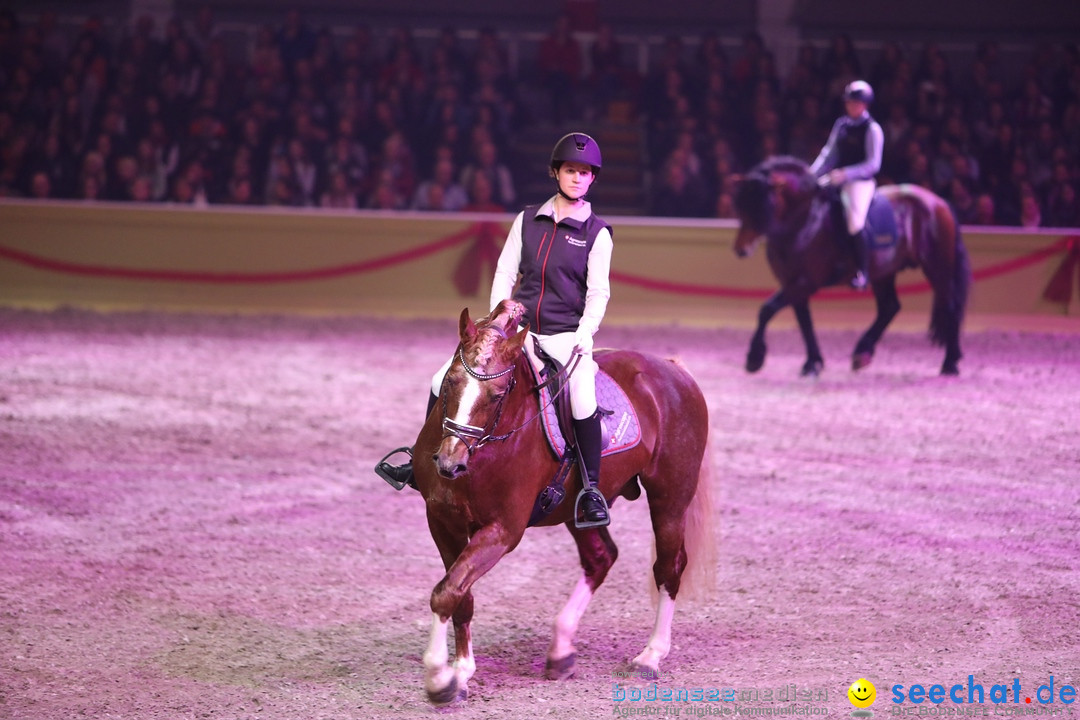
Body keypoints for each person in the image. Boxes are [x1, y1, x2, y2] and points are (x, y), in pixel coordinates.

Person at [376, 132, 614, 528]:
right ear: (556, 172)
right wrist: (500, 316)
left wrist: (585, 333)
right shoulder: (527, 220)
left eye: (585, 173)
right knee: (442, 379)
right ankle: (422, 464)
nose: (577, 178)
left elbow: (598, 292)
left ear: (592, 180)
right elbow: (505, 272)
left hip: (564, 335)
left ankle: (590, 489)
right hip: (517, 331)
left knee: (583, 398)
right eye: (571, 170)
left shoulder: (597, 233)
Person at [810, 79, 884, 290]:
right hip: (836, 178)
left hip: (860, 183)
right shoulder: (841, 124)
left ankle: (862, 271)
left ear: (865, 105)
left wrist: (847, 174)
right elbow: (829, 153)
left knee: (854, 222)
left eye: (855, 103)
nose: (851, 106)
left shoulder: (872, 129)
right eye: (849, 102)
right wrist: (811, 174)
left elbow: (873, 164)